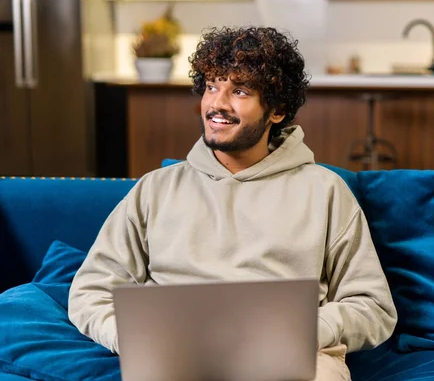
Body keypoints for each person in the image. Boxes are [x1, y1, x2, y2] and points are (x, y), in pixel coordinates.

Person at [68, 26, 397, 380]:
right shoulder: (156, 189)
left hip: (294, 358)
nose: (216, 104)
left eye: (239, 91)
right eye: (212, 86)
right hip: (177, 357)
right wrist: (132, 338)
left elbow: (374, 307)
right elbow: (91, 290)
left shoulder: (325, 191)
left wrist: (311, 329)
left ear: (277, 110)